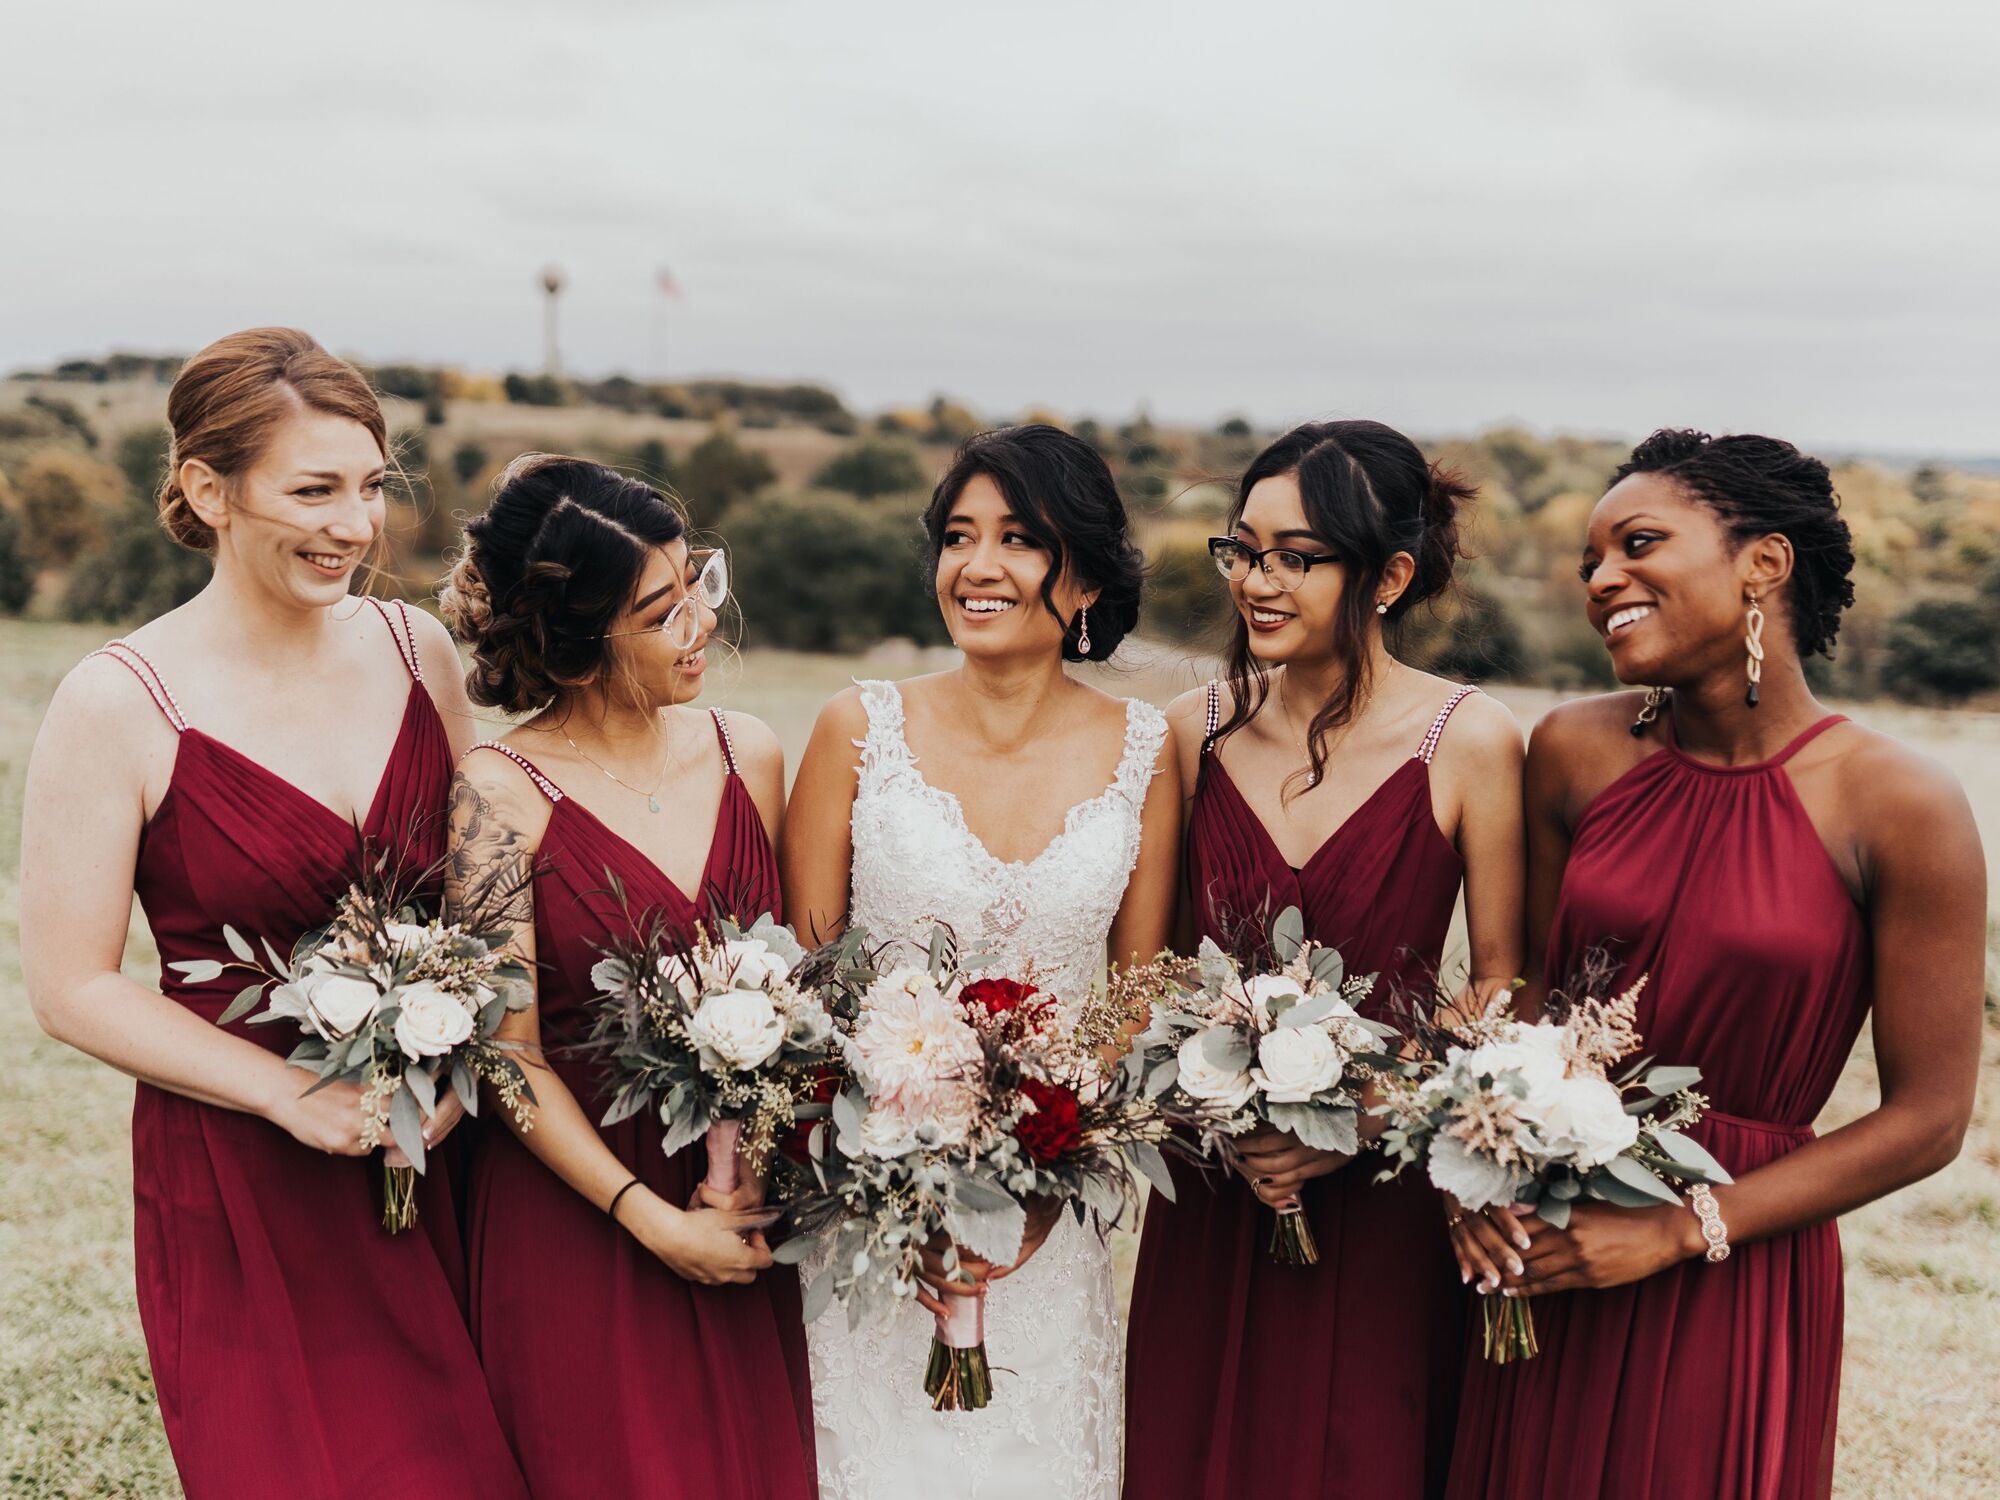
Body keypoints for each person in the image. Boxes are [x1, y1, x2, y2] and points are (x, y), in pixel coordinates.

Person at [18, 327, 526, 1498]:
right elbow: (69, 986)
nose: (354, 524)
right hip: (244, 1168)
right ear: (209, 490)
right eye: (313, 491)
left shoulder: (416, 651)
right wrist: (290, 1096)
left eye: (370, 487)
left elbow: (485, 898)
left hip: (445, 1148)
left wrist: (466, 1052)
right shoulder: (118, 701)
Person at [1448, 430, 1986, 1500]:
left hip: (1736, 1253)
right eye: (1590, 562)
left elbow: (1928, 1120)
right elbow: (1526, 1001)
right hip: (1549, 1235)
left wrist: (1675, 1228)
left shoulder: (1898, 803)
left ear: (1763, 564)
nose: (1602, 580)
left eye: (1638, 544)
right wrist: (1470, 1169)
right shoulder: (1571, 750)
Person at [1123, 418, 1525, 1500]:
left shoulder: (1468, 739)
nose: (1257, 582)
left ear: (1387, 576)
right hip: (1218, 1185)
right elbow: (1149, 970)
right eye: (1244, 549)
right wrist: (1212, 1102)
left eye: (1296, 558)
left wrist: (1365, 1118)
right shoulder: (1188, 732)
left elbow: (1501, 979)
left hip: (1383, 1193)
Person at [782, 424, 1180, 1499]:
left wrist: (1045, 1172)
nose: (977, 566)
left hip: (1047, 1230)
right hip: (869, 1217)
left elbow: (1132, 1001)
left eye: (1018, 538)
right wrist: (885, 1174)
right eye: (958, 537)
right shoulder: (855, 728)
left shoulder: (1147, 751)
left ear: (1085, 577)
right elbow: (804, 987)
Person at [439, 454, 816, 1499]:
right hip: (579, 1213)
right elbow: (503, 1054)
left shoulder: (749, 754)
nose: (702, 621)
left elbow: (796, 990)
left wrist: (749, 1172)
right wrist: (649, 1219)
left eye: (699, 582)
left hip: (736, 1205)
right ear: (574, 644)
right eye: (661, 612)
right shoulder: (498, 793)